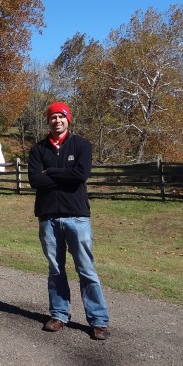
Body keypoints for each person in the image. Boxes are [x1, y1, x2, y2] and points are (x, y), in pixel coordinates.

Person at [27, 101, 110, 340]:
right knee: (55, 270)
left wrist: (50, 172)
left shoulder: (81, 145)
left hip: (77, 217)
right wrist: (66, 175)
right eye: (53, 117)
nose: (57, 121)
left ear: (68, 119)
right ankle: (59, 314)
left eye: (61, 117)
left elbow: (81, 175)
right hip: (49, 218)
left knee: (86, 270)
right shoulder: (38, 150)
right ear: (48, 121)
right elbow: (35, 181)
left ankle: (98, 320)